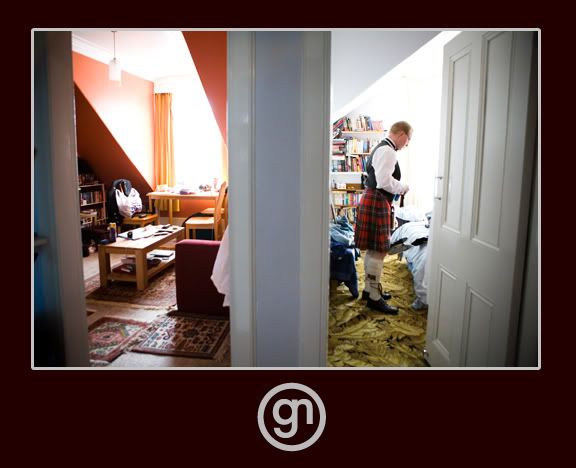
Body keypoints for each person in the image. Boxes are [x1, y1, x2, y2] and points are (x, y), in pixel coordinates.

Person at [354, 121, 412, 314]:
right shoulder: (388, 151)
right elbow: (384, 181)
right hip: (377, 200)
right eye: (408, 139)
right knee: (379, 251)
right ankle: (374, 298)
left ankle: (369, 290)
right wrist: (402, 187)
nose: (407, 144)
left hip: (373, 199)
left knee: (373, 250)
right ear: (401, 134)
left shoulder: (382, 147)